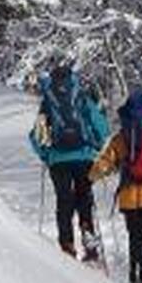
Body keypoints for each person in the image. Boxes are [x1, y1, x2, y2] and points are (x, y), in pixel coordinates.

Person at [29, 58, 109, 263]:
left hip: (58, 158)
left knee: (64, 200)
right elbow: (100, 124)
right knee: (84, 196)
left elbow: (36, 135)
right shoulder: (81, 97)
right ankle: (89, 239)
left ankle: (67, 244)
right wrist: (98, 146)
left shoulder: (48, 100)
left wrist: (46, 155)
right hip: (83, 156)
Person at [91, 88, 142, 283]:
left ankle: (138, 280)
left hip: (130, 196)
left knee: (137, 241)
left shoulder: (122, 136)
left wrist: (91, 175)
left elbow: (106, 162)